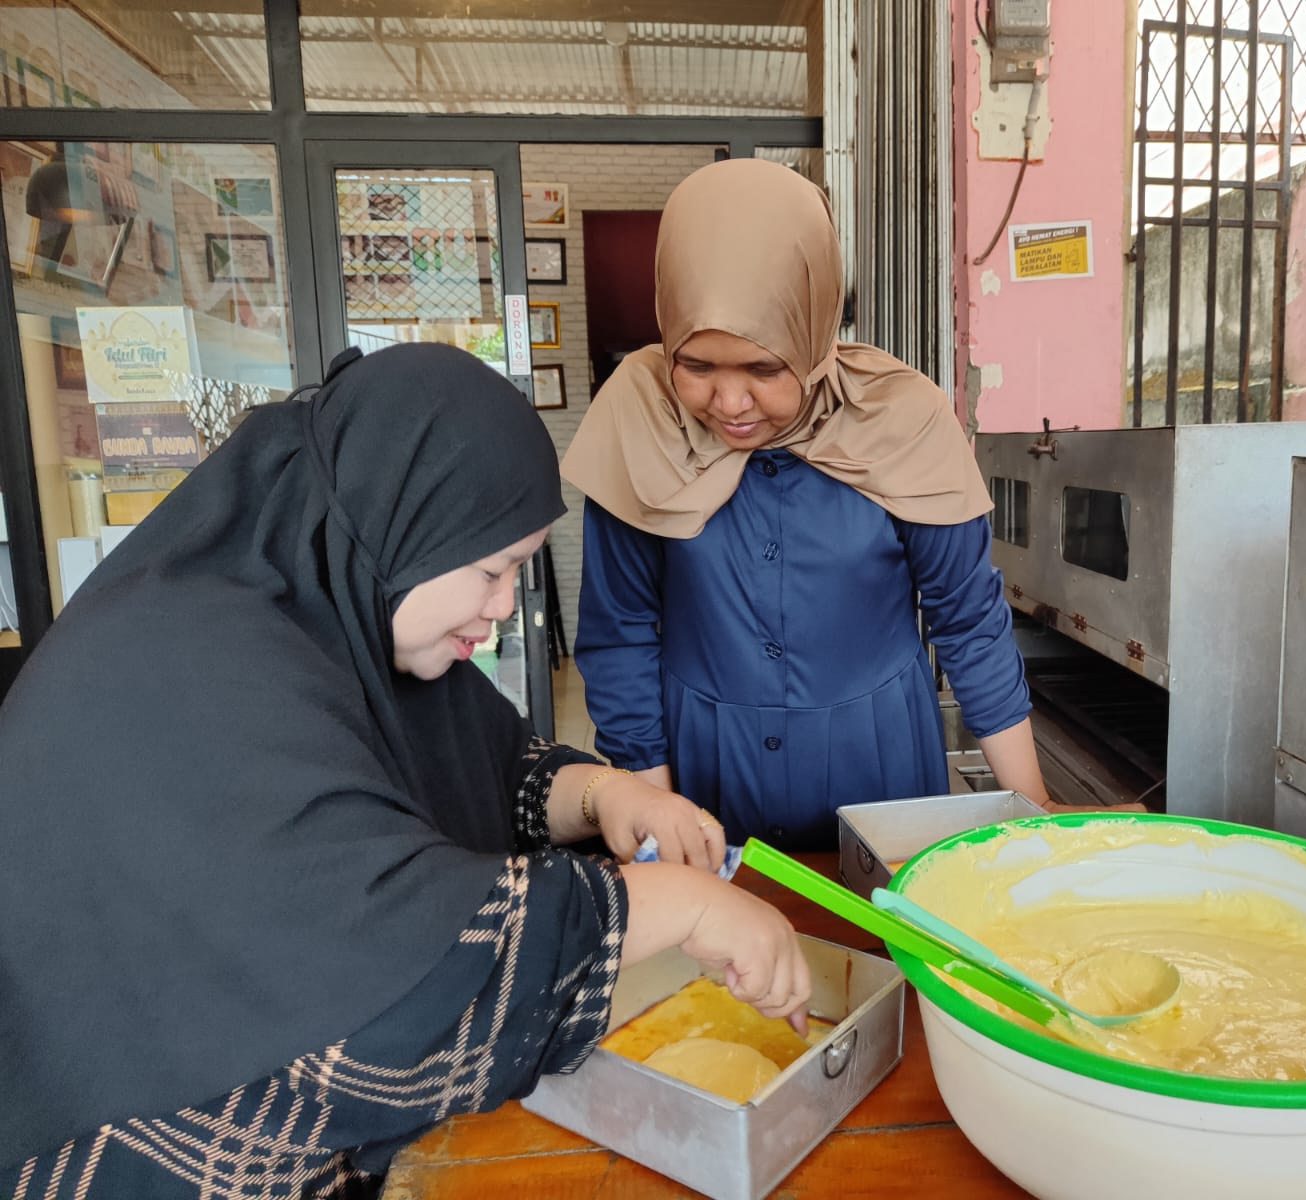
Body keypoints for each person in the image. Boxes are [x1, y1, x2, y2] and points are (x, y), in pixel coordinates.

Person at [0, 344, 810, 1199]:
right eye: (492, 569)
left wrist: (608, 793)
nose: (504, 607)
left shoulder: (336, 616)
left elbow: (491, 764)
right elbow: (388, 984)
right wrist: (680, 904)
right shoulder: (189, 674)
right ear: (403, 525)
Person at [563, 158, 1052, 851]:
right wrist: (658, 815)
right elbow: (620, 635)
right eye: (696, 366)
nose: (730, 403)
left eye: (765, 369)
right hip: (703, 771)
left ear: (817, 330)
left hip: (881, 766)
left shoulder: (903, 420)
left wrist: (1035, 808)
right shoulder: (640, 419)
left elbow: (968, 622)